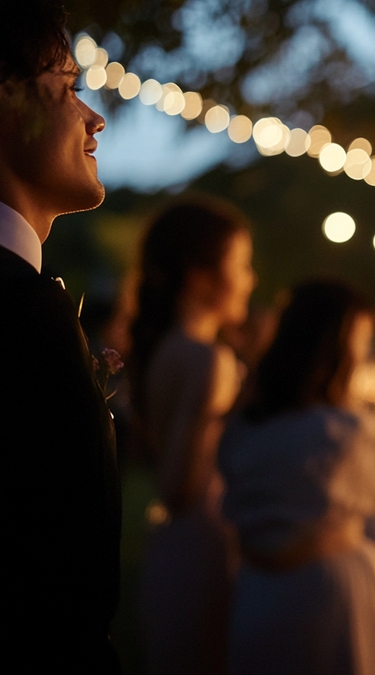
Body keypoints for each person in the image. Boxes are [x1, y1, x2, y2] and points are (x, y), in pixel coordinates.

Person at [0, 2, 120, 670]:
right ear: (7, 95)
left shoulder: (33, 298)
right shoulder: (17, 310)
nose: (95, 117)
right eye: (69, 87)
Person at [220, 280, 375, 675]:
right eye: (362, 341)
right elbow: (374, 498)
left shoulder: (243, 423)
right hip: (330, 587)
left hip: (257, 589)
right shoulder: (342, 431)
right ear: (338, 348)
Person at [127, 198, 256, 674]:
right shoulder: (207, 359)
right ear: (201, 276)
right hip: (202, 549)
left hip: (169, 550)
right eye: (241, 265)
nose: (251, 279)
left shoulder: (163, 349)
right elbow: (179, 485)